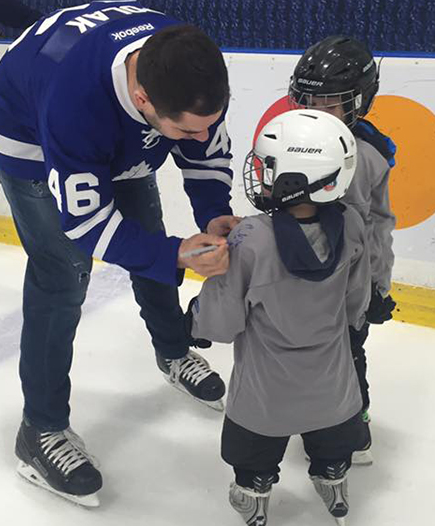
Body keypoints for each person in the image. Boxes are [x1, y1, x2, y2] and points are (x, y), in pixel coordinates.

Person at [0, 2, 239, 507]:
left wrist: (213, 211)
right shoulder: (74, 104)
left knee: (151, 235)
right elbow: (87, 225)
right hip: (26, 133)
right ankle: (40, 430)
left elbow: (204, 148)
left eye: (211, 122)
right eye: (187, 130)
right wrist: (176, 256)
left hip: (104, 120)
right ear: (142, 98)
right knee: (64, 273)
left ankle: (172, 350)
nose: (202, 137)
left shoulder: (182, 60)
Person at [188, 109, 370, 526]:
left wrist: (193, 319)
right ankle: (333, 480)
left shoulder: (251, 239)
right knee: (333, 444)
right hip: (334, 392)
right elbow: (356, 303)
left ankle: (253, 495)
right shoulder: (353, 224)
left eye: (269, 167)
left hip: (264, 400)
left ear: (289, 180)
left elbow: (221, 320)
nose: (262, 174)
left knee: (253, 457)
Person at [288, 35, 397, 465]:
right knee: (301, 355)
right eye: (308, 102)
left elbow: (378, 226)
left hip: (349, 289)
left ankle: (355, 421)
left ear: (359, 103)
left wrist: (379, 286)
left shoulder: (368, 155)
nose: (316, 114)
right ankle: (311, 415)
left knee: (349, 356)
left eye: (330, 105)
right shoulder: (290, 141)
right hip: (299, 284)